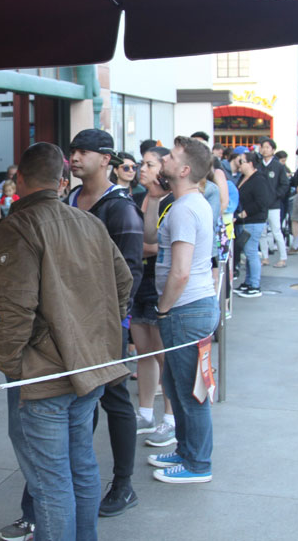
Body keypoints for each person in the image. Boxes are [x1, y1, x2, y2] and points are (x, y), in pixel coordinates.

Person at [0, 142, 133, 541]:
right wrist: (95, 331)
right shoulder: (88, 221)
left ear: (19, 178)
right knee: (81, 468)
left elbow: (16, 308)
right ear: (62, 180)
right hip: (85, 364)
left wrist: (11, 362)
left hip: (46, 373)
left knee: (52, 481)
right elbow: (123, 282)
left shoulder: (19, 227)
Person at [67, 128, 143, 517]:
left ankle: (124, 483)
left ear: (106, 159)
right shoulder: (70, 198)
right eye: (73, 150)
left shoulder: (120, 208)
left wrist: (115, 324)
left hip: (106, 323)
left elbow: (130, 271)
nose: (75, 157)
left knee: (113, 398)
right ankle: (81, 476)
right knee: (81, 397)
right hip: (70, 322)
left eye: (84, 151)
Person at [149, 136, 220, 483]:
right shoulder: (188, 205)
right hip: (189, 308)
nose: (164, 161)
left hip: (185, 309)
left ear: (185, 169)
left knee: (191, 393)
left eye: (172, 157)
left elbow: (180, 271)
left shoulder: (185, 209)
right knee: (179, 386)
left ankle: (197, 463)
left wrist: (163, 308)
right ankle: (187, 450)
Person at [133, 146, 177, 448]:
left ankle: (171, 419)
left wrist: (138, 248)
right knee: (144, 350)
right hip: (138, 281)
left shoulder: (174, 202)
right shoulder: (138, 199)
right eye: (142, 164)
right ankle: (146, 412)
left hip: (161, 284)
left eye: (149, 164)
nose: (142, 169)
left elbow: (157, 245)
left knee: (164, 354)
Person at [232, 152, 274, 298]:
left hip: (254, 220)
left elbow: (262, 201)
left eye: (242, 161)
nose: (239, 164)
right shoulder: (244, 178)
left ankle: (255, 284)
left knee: (251, 253)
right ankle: (249, 282)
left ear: (250, 163)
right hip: (245, 221)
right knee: (249, 252)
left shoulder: (259, 179)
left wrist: (245, 213)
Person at [257, 138, 289, 268]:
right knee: (262, 232)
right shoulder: (258, 165)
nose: (264, 150)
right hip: (260, 205)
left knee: (276, 231)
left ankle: (283, 258)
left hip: (274, 205)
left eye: (267, 147)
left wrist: (276, 195)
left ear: (273, 150)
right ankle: (265, 257)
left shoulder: (278, 166)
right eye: (263, 147)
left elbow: (284, 184)